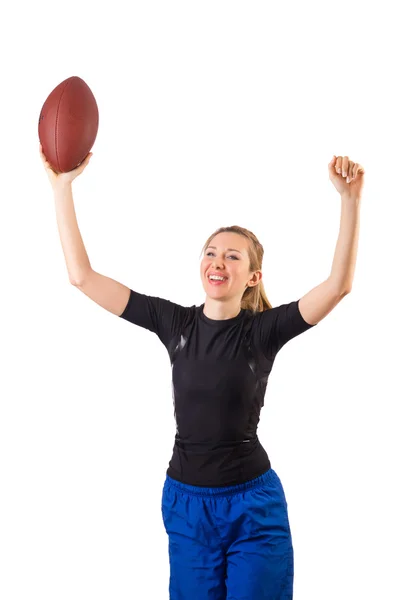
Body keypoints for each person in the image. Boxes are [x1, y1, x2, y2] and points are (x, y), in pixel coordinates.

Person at [40, 144, 363, 599]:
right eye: (211, 252)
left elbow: (338, 286)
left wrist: (349, 201)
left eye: (233, 256)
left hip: (253, 510)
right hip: (188, 508)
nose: (218, 261)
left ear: (253, 276)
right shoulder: (174, 324)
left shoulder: (263, 332)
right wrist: (61, 187)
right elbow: (82, 277)